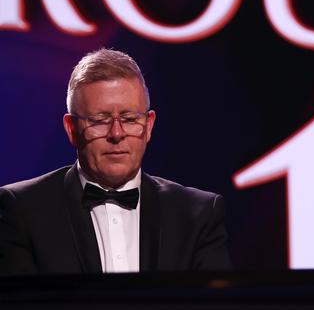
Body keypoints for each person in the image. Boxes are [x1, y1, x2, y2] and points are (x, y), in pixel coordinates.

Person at [0, 49, 230, 274]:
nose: (117, 133)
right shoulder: (21, 210)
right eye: (100, 120)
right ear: (72, 129)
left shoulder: (198, 214)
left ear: (149, 126)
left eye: (130, 119)